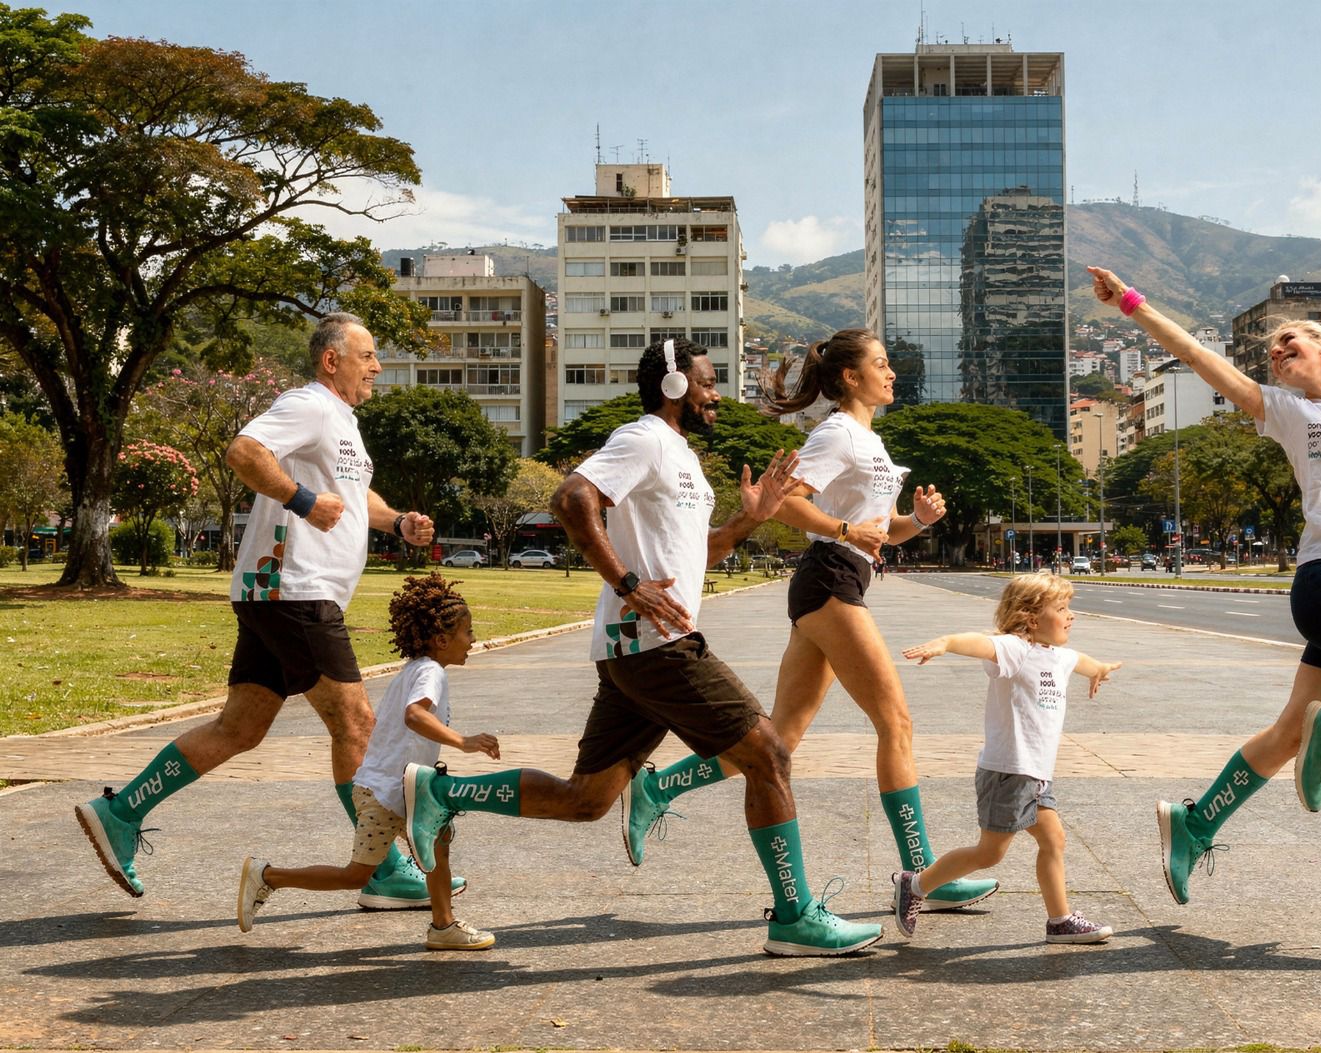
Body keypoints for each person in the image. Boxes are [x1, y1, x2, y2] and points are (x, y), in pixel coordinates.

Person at [402, 338, 881, 957]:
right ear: (675, 386)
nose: (716, 396)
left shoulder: (681, 457)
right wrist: (627, 583)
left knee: (586, 800)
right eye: (707, 383)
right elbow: (571, 499)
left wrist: (751, 518)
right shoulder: (644, 439)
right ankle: (794, 917)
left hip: (633, 651)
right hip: (658, 645)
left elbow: (699, 554)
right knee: (769, 756)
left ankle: (441, 793)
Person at [1086, 153, 1321, 906]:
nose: (1276, 350)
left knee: (1292, 731)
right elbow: (1195, 354)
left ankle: (1195, 822)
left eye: (1290, 339)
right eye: (1270, 349)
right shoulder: (1284, 411)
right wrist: (1130, 302)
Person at [75, 313, 457, 912]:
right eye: (367, 356)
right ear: (332, 360)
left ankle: (121, 812)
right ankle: (382, 868)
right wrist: (301, 500)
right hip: (294, 589)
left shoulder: (343, 423)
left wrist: (398, 521)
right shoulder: (309, 405)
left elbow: (353, 496)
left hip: (277, 594)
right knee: (356, 724)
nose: (377, 367)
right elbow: (244, 451)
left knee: (240, 729)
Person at [619, 328, 997, 914]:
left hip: (840, 577)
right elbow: (788, 502)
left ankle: (657, 786)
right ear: (850, 377)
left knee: (783, 737)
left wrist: (918, 521)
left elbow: (882, 531)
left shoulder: (869, 440)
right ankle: (924, 877)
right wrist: (845, 529)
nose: (891, 373)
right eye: (881, 364)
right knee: (896, 722)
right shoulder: (837, 433)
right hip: (830, 580)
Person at [236, 573, 497, 950]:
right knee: (356, 876)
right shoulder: (430, 672)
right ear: (442, 640)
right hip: (386, 794)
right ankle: (268, 876)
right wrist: (463, 742)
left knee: (439, 843)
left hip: (405, 789)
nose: (472, 639)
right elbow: (415, 716)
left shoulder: (418, 668)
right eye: (467, 632)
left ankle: (443, 926)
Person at [894, 574, 1121, 944]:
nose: (1071, 615)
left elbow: (1081, 661)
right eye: (1061, 608)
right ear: (1031, 618)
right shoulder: (1017, 650)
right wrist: (947, 643)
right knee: (989, 853)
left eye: (1069, 607)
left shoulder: (1058, 657)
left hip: (1036, 775)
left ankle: (1060, 921)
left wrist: (1100, 670)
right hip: (1008, 772)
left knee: (1054, 840)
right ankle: (915, 885)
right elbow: (982, 644)